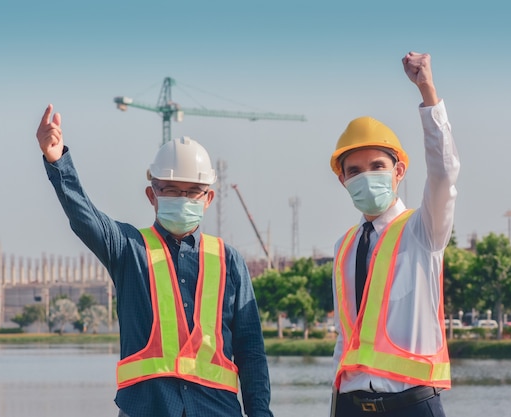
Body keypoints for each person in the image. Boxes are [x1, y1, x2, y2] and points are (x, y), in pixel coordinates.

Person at [35, 108, 274, 417]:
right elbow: (85, 218)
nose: (183, 198)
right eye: (172, 190)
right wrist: (58, 162)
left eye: (193, 192)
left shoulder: (230, 261)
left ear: (208, 199)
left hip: (216, 410)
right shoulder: (128, 249)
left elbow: (250, 350)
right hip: (148, 408)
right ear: (152, 194)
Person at [329, 52, 460, 417]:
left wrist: (427, 92)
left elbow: (444, 174)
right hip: (351, 405)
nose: (365, 176)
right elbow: (345, 338)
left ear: (398, 171)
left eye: (377, 166)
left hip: (412, 404)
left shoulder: (423, 230)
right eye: (354, 170)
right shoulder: (344, 248)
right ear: (342, 180)